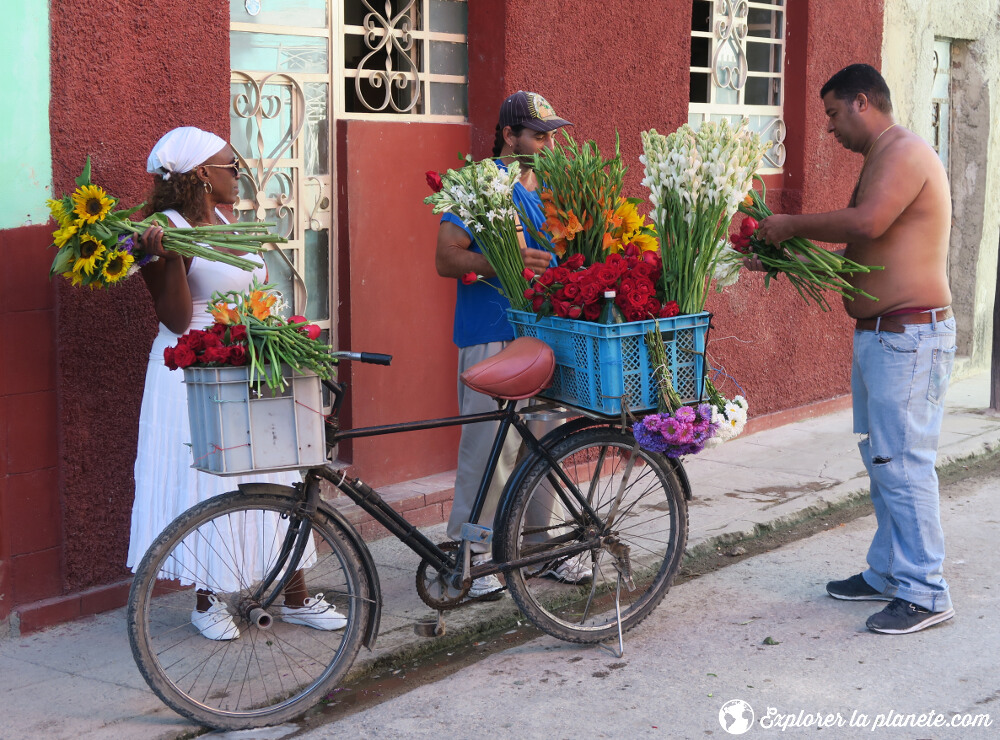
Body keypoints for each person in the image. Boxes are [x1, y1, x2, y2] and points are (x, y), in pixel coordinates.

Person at [752, 64, 956, 634]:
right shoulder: (881, 158)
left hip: (909, 337)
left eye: (834, 115)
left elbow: (867, 223)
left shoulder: (905, 152)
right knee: (881, 460)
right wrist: (785, 256)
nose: (830, 129)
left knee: (903, 464)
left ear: (863, 102)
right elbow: (866, 252)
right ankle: (889, 572)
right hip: (882, 338)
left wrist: (790, 225)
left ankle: (926, 591)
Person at [127, 126, 345, 639]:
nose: (239, 176)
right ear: (203, 173)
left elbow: (254, 288)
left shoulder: (228, 220)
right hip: (191, 364)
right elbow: (177, 319)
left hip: (245, 358)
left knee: (278, 472)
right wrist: (170, 256)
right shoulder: (163, 228)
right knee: (211, 481)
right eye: (233, 167)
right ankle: (208, 601)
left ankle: (294, 594)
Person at [434, 91, 592, 595]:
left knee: (546, 444)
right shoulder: (475, 186)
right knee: (487, 449)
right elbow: (446, 257)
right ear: (509, 135)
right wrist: (502, 262)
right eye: (539, 135)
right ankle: (469, 555)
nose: (548, 144)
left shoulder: (549, 189)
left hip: (546, 334)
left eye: (551, 135)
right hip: (492, 335)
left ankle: (539, 549)